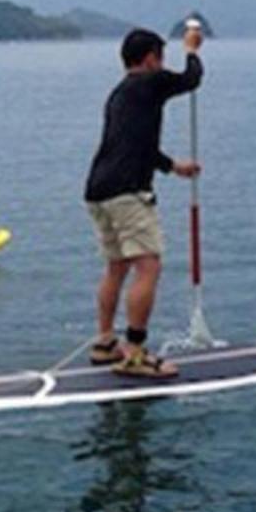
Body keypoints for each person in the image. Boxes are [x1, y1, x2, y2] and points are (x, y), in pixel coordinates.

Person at [84, 21, 203, 378]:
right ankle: (134, 353)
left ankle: (105, 342)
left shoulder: (119, 94)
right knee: (148, 267)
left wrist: (173, 167)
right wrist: (192, 49)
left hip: (98, 190)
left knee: (117, 267)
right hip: (127, 191)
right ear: (151, 59)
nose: (163, 65)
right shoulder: (151, 82)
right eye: (162, 58)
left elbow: (138, 146)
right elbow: (191, 79)